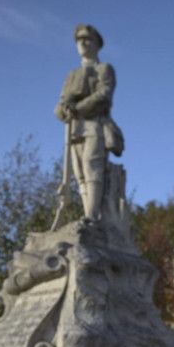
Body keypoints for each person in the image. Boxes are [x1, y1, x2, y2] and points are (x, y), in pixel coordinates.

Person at [54, 24, 124, 222]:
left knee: (92, 167)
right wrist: (64, 110)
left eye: (87, 39)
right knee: (80, 175)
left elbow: (104, 95)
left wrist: (77, 108)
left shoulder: (104, 69)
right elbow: (60, 104)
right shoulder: (72, 75)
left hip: (95, 124)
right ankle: (88, 215)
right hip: (74, 129)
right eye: (79, 40)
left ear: (96, 44)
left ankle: (92, 217)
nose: (82, 43)